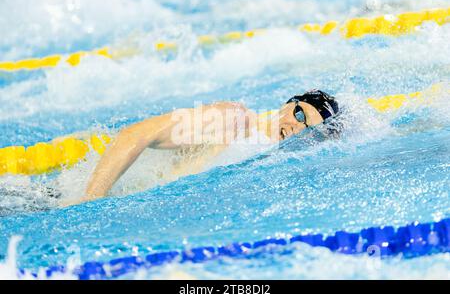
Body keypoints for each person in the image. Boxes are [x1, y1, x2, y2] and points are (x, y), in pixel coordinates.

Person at [85, 89, 339, 201]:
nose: (297, 128)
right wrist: (90, 201)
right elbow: (133, 135)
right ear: (288, 103)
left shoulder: (264, 153)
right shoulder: (232, 119)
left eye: (309, 129)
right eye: (300, 115)